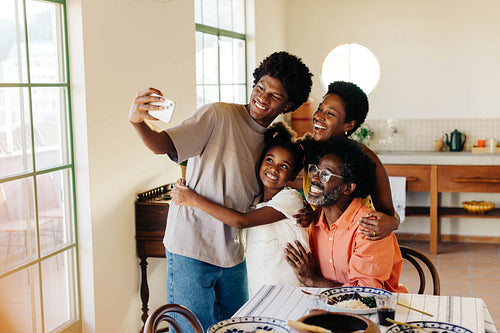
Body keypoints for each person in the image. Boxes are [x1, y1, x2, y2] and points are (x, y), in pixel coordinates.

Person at [128, 51, 312, 331]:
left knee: (238, 327)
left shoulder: (271, 141)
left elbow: (273, 191)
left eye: (275, 96)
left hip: (233, 252)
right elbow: (163, 144)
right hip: (192, 246)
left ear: (289, 104)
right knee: (193, 328)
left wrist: (306, 211)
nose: (263, 97)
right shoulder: (219, 114)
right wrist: (138, 122)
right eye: (260, 87)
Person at [171, 122, 310, 297]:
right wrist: (188, 186)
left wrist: (194, 199)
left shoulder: (289, 199)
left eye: (283, 166)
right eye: (269, 160)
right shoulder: (256, 199)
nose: (273, 169)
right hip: (260, 291)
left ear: (291, 175)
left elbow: (241, 221)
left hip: (290, 292)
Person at [285, 139, 407, 292]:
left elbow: (366, 295)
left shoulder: (370, 228)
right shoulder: (311, 221)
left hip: (375, 312)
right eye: (315, 170)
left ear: (347, 188)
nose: (314, 179)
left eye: (326, 174)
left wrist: (313, 280)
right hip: (328, 307)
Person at [300, 81, 400, 240]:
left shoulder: (365, 158)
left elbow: (390, 215)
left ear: (349, 124)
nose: (318, 116)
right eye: (319, 109)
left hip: (357, 241)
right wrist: (307, 214)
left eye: (330, 114)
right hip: (321, 242)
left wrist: (391, 223)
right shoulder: (306, 152)